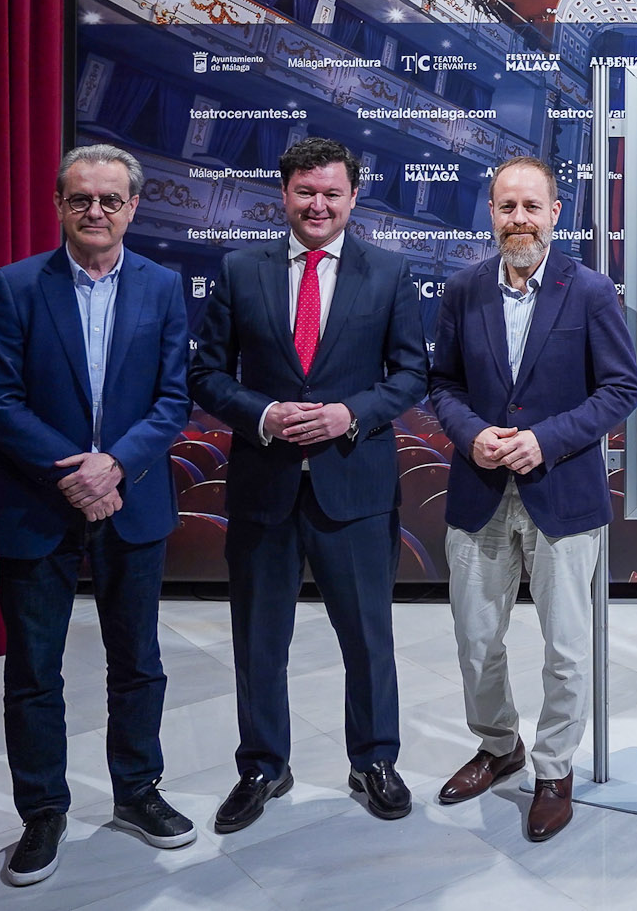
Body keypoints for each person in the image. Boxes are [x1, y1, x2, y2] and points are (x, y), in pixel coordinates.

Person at [190, 137, 429, 831]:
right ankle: (263, 765)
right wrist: (262, 412)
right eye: (305, 191)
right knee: (258, 638)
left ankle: (374, 759)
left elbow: (411, 374)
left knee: (368, 637)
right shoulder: (241, 269)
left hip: (354, 487)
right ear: (284, 194)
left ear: (353, 197)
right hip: (264, 486)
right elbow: (205, 373)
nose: (317, 204)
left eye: (331, 192)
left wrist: (350, 412)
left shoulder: (389, 271)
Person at [0, 144, 192, 886]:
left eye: (109, 199)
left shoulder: (162, 286)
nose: (95, 210)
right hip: (37, 501)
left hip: (134, 498)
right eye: (80, 198)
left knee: (138, 662)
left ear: (133, 207)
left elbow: (173, 398)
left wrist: (116, 465)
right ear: (59, 205)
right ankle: (42, 811)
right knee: (35, 670)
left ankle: (138, 790)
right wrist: (77, 472)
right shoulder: (14, 286)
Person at [427, 156, 637, 843]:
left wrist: (544, 440)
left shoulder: (591, 291)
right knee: (475, 640)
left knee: (567, 649)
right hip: (480, 491)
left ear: (555, 213)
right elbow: (442, 384)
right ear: (491, 213)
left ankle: (554, 769)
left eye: (531, 206)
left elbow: (622, 389)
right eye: (506, 206)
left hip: (563, 495)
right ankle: (499, 746)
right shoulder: (463, 290)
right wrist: (472, 434)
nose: (518, 218)